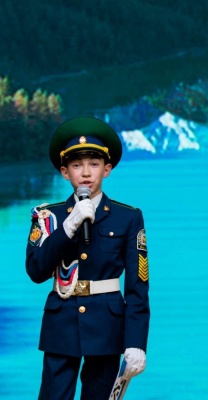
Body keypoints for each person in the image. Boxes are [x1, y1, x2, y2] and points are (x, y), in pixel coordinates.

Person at [25, 116, 150, 400]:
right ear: (64, 172)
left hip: (107, 325)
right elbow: (35, 270)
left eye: (94, 164)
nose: (85, 173)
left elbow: (138, 285)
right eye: (76, 165)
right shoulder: (49, 216)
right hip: (61, 323)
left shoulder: (128, 217)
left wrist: (136, 342)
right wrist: (68, 227)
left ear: (107, 169)